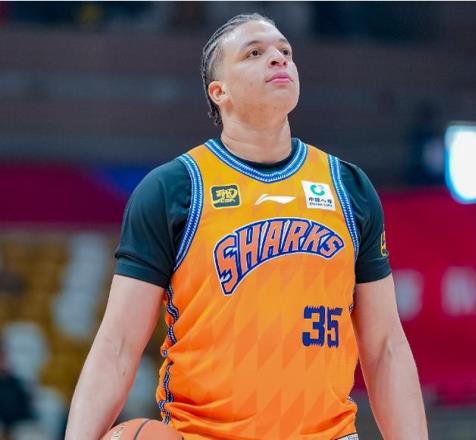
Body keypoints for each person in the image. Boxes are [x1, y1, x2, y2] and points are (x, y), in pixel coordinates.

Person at [66, 13, 428, 440]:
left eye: (285, 51)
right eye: (254, 53)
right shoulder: (174, 188)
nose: (278, 58)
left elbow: (385, 347)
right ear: (219, 92)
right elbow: (118, 346)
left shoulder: (348, 187)